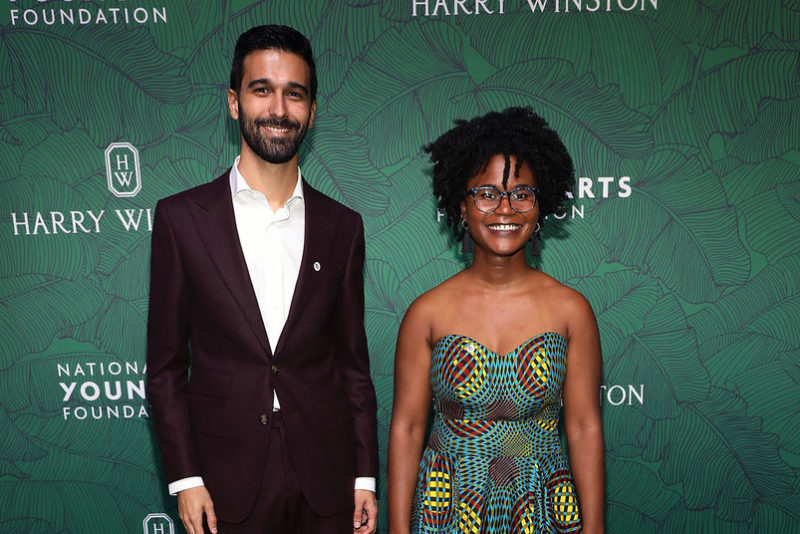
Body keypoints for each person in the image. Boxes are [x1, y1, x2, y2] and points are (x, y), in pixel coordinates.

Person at [146, 25, 378, 534]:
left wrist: (365, 475)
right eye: (262, 90)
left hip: (328, 475)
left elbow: (352, 365)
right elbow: (165, 368)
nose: (278, 109)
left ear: (312, 112)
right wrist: (186, 480)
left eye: (294, 94)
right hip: (222, 482)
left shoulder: (343, 226)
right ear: (234, 102)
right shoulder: (181, 219)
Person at [388, 107, 604, 533]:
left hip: (542, 504)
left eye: (522, 193)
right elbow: (408, 428)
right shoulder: (426, 313)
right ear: (461, 206)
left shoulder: (571, 311)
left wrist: (594, 529)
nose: (505, 208)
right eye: (487, 193)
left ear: (541, 206)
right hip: (447, 508)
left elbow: (582, 427)